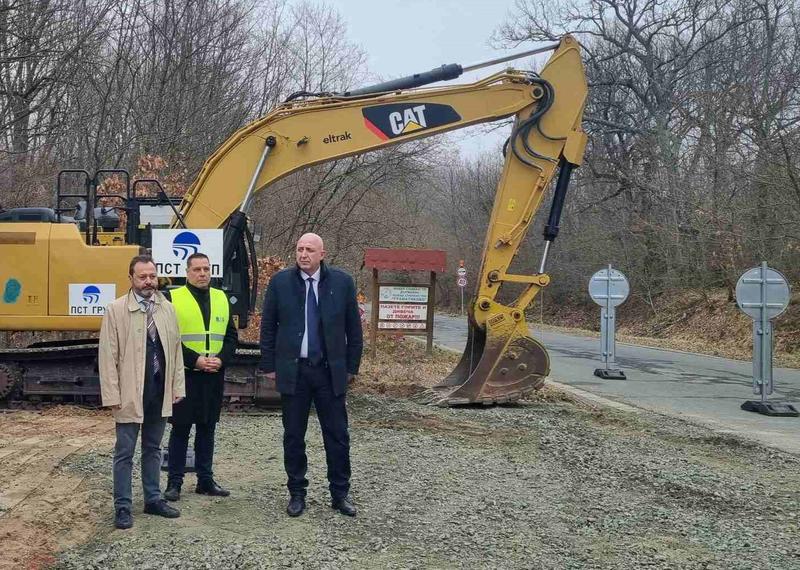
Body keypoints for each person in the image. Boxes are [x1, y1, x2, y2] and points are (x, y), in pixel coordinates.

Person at [259, 233, 363, 517]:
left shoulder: (342, 283)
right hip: (295, 371)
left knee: (337, 435)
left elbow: (354, 330)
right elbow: (268, 327)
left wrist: (351, 368)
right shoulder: (281, 283)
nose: (303, 254)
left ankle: (340, 493)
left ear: (322, 254)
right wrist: (268, 365)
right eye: (299, 249)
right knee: (293, 435)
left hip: (330, 373)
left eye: (309, 250)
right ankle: (296, 492)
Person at [99, 254, 186, 530]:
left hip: (158, 390)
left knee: (153, 448)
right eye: (143, 277)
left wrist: (177, 386)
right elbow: (107, 356)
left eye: (152, 276)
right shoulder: (116, 310)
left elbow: (176, 350)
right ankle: (123, 507)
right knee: (124, 452)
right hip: (129, 393)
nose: (149, 281)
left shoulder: (166, 308)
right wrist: (112, 396)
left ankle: (153, 499)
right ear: (131, 278)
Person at [163, 252, 237, 501]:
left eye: (206, 269)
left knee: (207, 428)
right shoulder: (172, 298)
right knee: (180, 430)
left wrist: (222, 359)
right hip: (186, 375)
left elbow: (230, 337)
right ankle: (174, 483)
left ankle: (205, 480)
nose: (203, 273)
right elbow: (168, 339)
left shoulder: (221, 298)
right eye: (197, 269)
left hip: (213, 375)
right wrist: (194, 360)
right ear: (187, 272)